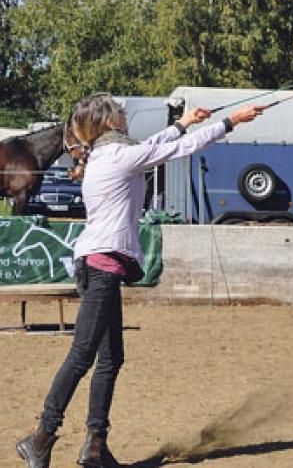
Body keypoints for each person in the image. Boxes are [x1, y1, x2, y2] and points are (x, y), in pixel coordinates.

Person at [16, 93, 267, 468]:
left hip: (101, 265)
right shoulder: (118, 157)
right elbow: (178, 150)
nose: (124, 114)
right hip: (101, 267)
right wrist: (229, 123)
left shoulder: (113, 154)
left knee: (110, 358)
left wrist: (185, 122)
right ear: (108, 122)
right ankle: (41, 437)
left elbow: (155, 145)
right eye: (119, 111)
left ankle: (95, 446)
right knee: (84, 354)